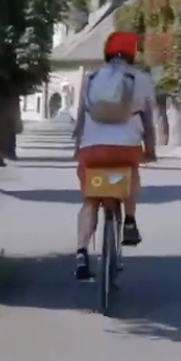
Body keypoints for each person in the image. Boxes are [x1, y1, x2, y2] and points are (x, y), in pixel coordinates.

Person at [72, 30, 158, 280]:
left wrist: (79, 148)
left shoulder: (91, 78)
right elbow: (148, 120)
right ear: (132, 53)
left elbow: (80, 118)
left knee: (90, 201)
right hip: (125, 149)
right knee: (130, 175)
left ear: (107, 52)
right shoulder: (140, 79)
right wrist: (150, 150)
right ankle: (129, 221)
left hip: (92, 150)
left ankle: (81, 253)